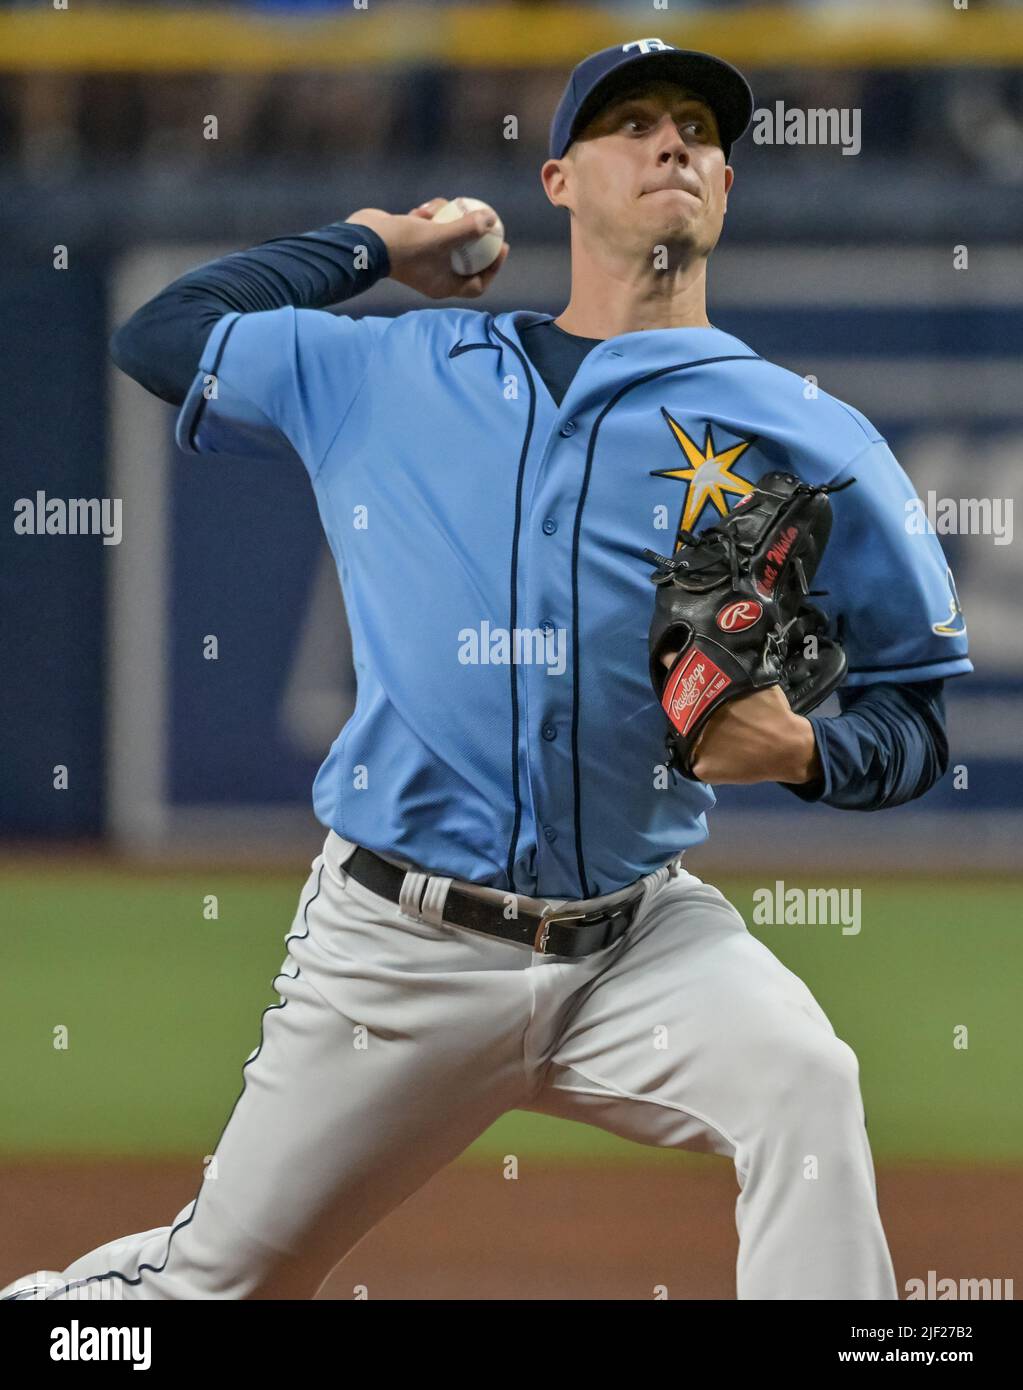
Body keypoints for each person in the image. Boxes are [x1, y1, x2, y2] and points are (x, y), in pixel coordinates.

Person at [4, 37, 970, 1302]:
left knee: (805, 1082)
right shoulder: (397, 370)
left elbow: (915, 715)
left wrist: (806, 751)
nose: (675, 141)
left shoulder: (809, 432)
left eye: (698, 127)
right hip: (396, 953)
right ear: (560, 181)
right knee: (208, 1292)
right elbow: (163, 334)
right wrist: (373, 244)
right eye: (635, 123)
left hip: (639, 939)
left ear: (726, 188)